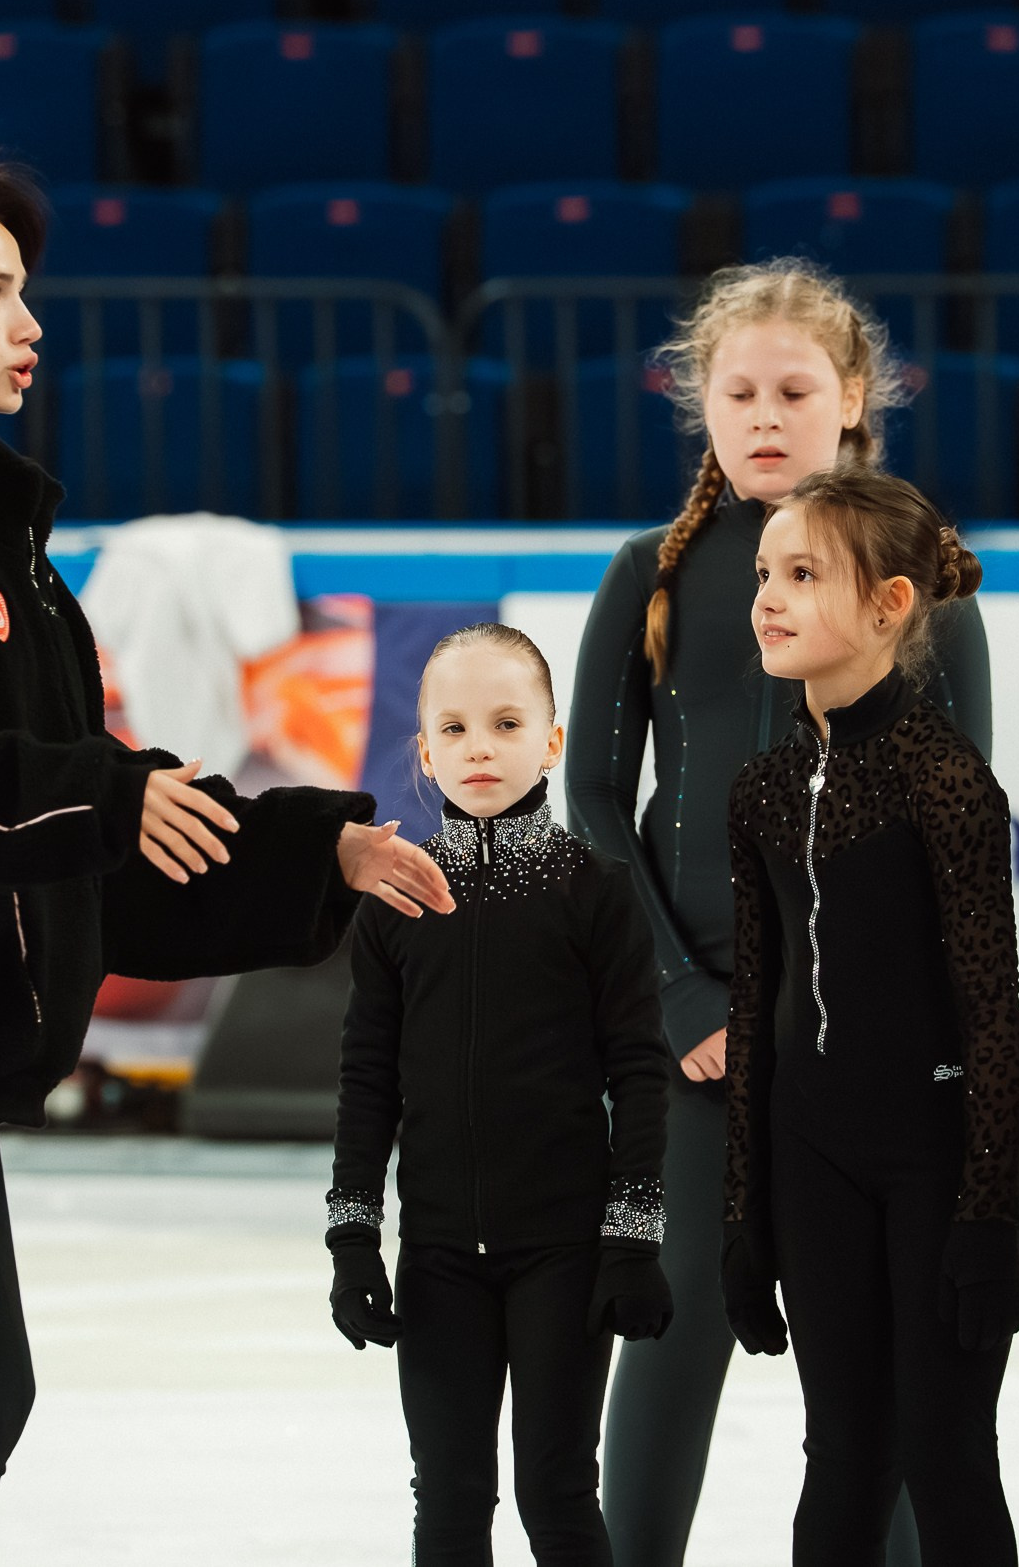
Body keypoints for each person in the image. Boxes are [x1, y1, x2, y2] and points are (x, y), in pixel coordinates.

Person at [0, 156, 455, 1567]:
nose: (29, 323)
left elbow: (89, 840)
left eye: (24, 291)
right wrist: (105, 795)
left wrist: (318, 849)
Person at [565, 257, 991, 1567]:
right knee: (672, 1325)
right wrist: (683, 997)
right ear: (700, 401)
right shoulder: (648, 571)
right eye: (737, 391)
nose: (764, 415)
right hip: (692, 1038)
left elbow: (954, 831)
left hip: (859, 1047)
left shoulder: (920, 581)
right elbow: (593, 799)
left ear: (852, 397)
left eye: (793, 391)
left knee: (881, 1359)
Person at [722, 466, 1019, 1567]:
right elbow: (753, 1004)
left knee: (945, 1455)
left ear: (891, 604)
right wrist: (743, 1214)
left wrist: (991, 1217)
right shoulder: (760, 790)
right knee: (842, 1457)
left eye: (803, 575)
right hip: (813, 1157)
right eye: (765, 572)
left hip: (932, 1162)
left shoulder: (945, 780)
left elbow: (991, 1011)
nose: (769, 596)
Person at [325, 623, 674, 1565]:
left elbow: (640, 1071)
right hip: (439, 1253)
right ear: (424, 751)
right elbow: (368, 1077)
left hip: (564, 1252)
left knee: (555, 1491)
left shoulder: (593, 891)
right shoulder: (397, 902)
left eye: (507, 723)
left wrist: (632, 1240)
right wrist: (353, 1236)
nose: (479, 746)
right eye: (455, 727)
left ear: (551, 742)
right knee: (448, 1496)